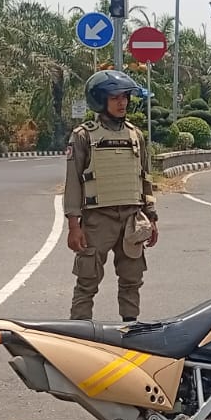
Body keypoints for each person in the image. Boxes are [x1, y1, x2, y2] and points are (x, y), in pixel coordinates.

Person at [65, 69, 158, 321]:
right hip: (97, 220)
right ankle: (79, 335)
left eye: (125, 97)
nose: (122, 102)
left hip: (132, 219)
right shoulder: (83, 136)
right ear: (100, 99)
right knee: (87, 282)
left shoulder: (135, 135)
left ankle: (131, 330)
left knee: (132, 280)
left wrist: (152, 218)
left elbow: (145, 178)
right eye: (115, 97)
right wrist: (74, 225)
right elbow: (73, 182)